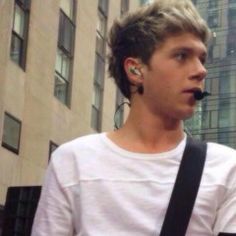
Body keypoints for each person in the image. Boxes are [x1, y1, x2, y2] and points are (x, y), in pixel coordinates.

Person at [31, 0, 236, 235]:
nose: (201, 70)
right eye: (182, 55)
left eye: (202, 58)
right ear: (135, 70)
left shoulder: (227, 168)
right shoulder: (72, 161)